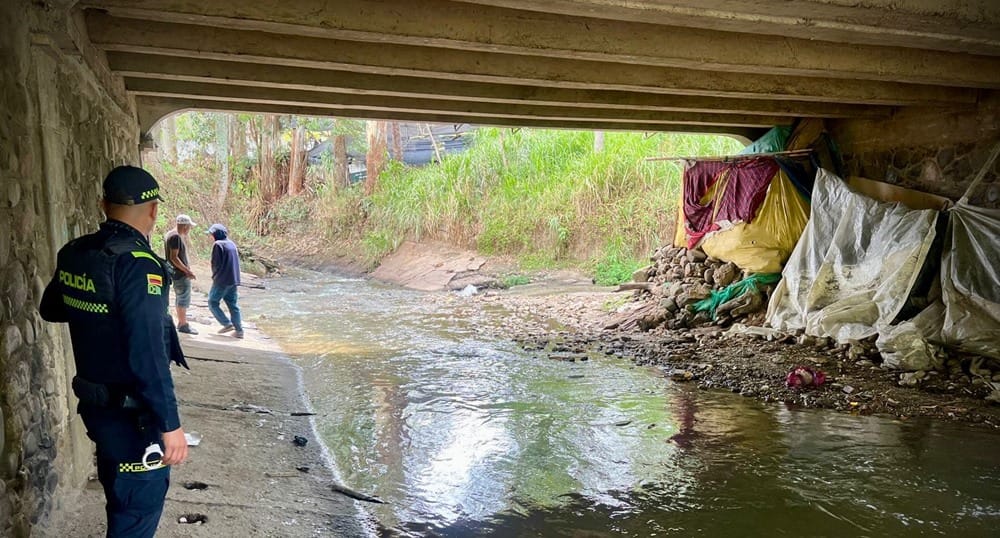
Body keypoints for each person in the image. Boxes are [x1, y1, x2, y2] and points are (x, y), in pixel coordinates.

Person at [39, 165, 189, 537]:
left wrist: (96, 311)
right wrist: (170, 425)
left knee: (118, 490)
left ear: (103, 204)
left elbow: (52, 309)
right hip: (133, 416)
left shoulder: (75, 252)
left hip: (96, 405)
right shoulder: (139, 267)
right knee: (136, 512)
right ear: (153, 210)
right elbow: (148, 353)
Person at [206, 223, 244, 338]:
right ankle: (239, 331)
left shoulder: (218, 245)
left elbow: (215, 263)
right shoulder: (232, 244)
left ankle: (226, 324)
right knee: (233, 305)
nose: (211, 236)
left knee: (212, 302)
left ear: (215, 234)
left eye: (212, 234)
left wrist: (215, 277)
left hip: (221, 280)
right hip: (233, 280)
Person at [164, 214, 198, 334]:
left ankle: (181, 322)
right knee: (183, 297)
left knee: (180, 296)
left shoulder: (169, 234)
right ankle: (183, 324)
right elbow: (174, 258)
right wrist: (187, 271)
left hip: (176, 272)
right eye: (189, 227)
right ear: (185, 226)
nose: (189, 229)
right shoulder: (176, 237)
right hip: (180, 273)